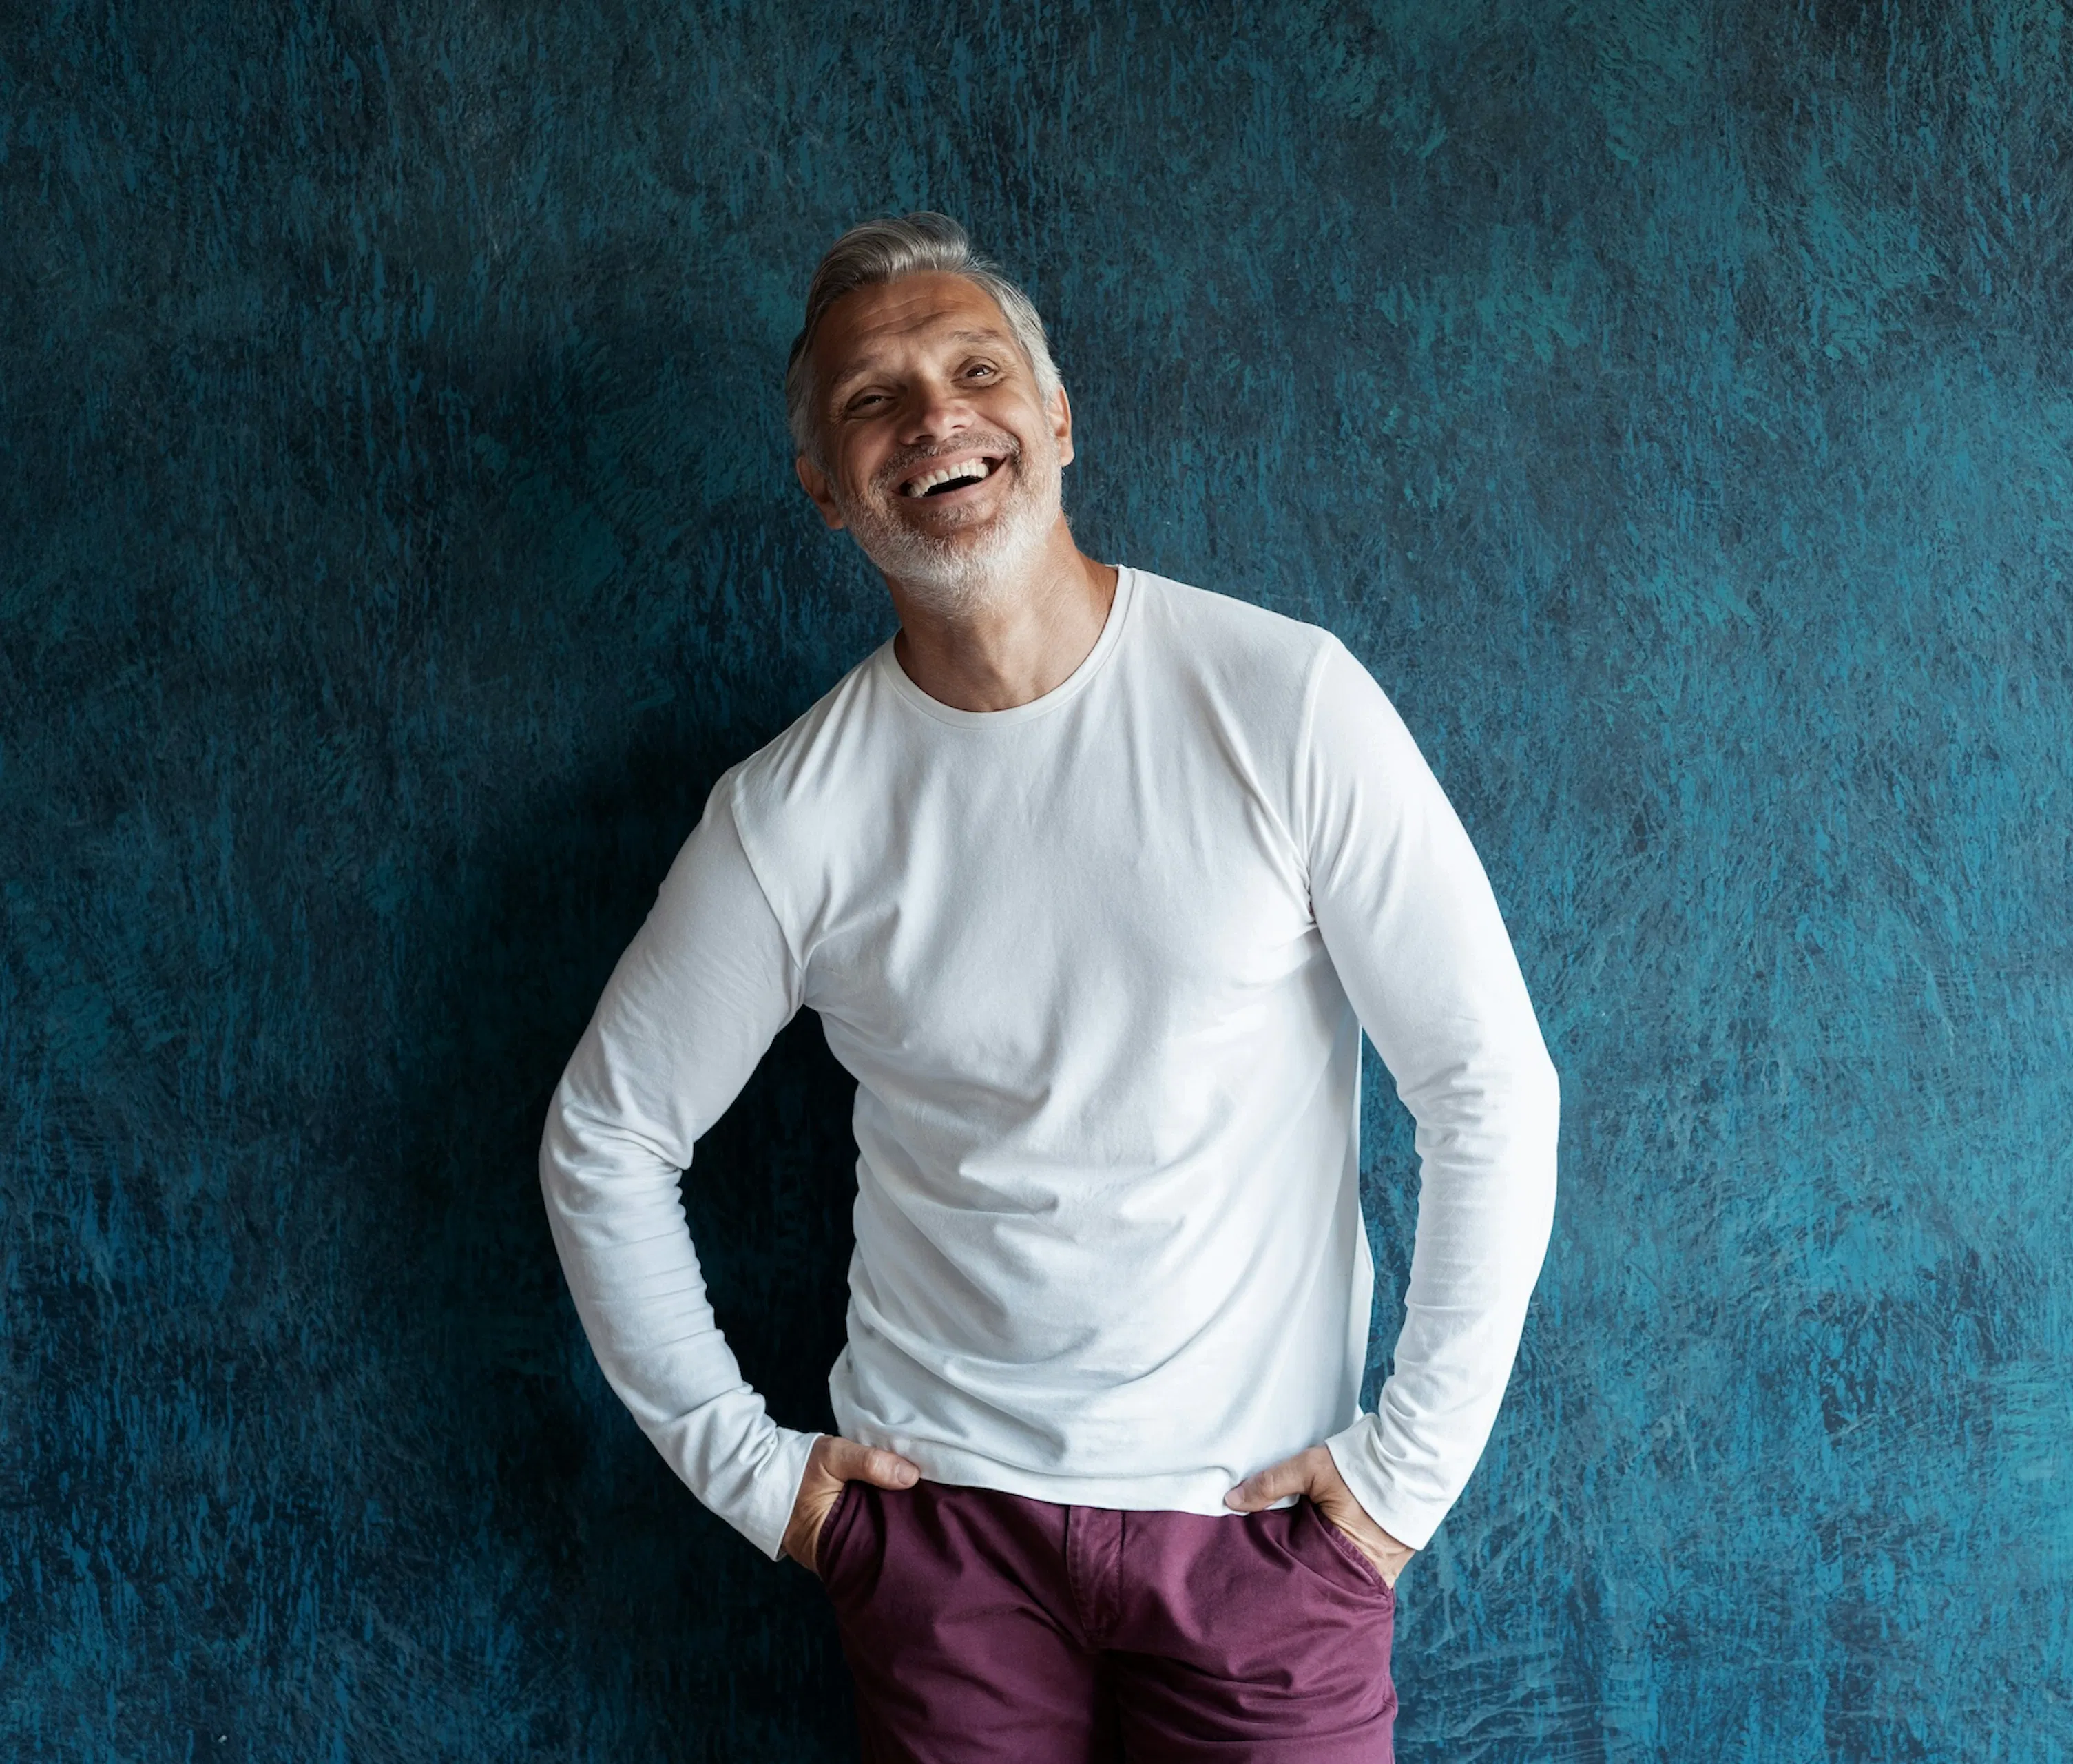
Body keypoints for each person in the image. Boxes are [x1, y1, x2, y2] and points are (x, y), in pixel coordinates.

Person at [539, 212, 1559, 1761]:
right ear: (826, 487)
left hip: (1263, 1534)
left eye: (972, 367)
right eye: (871, 400)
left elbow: (1489, 1080)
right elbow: (604, 1139)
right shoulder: (789, 814)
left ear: (1057, 416)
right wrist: (760, 1479)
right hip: (946, 1551)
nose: (934, 416)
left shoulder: (1280, 700)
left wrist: (1404, 1478)